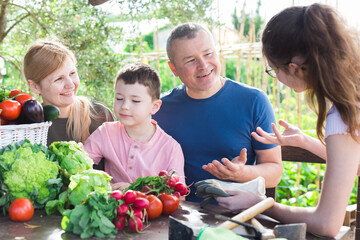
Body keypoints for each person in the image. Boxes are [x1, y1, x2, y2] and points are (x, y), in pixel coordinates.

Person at [216, 3, 360, 237]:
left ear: (294, 68)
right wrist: (305, 141)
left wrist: (261, 203)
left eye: (273, 69)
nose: (277, 78)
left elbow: (326, 223)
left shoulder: (343, 114)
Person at [153, 23, 282, 202]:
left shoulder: (254, 101)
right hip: (177, 216)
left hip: (236, 217)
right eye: (191, 60)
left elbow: (274, 173)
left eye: (208, 54)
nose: (203, 65)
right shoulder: (159, 109)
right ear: (173, 69)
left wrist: (241, 173)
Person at [84, 63, 185, 189]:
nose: (125, 106)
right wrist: (106, 186)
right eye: (119, 98)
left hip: (150, 207)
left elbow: (178, 196)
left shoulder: (171, 149)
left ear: (155, 107)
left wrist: (137, 192)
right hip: (111, 204)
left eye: (135, 101)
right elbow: (81, 166)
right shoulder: (105, 132)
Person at [23, 39, 115, 146]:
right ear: (35, 87)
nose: (71, 85)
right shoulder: (26, 128)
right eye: (58, 79)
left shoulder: (100, 116)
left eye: (72, 73)